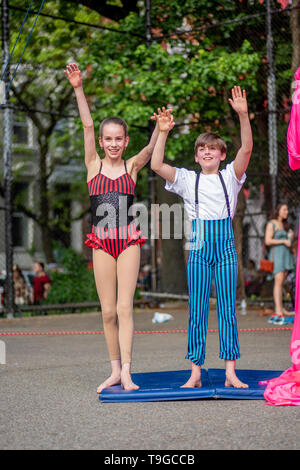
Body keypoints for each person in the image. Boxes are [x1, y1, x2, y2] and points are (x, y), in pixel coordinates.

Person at [64, 63, 170, 394]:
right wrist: (78, 88)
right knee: (108, 311)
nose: (113, 144)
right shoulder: (92, 165)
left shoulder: (131, 166)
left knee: (125, 308)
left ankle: (127, 371)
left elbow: (150, 151)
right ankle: (113, 370)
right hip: (101, 242)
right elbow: (86, 123)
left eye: (118, 139)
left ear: (125, 141)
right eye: (108, 139)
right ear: (101, 141)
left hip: (127, 241)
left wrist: (160, 129)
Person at [151, 86, 252, 389]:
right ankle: (195, 371)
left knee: (227, 308)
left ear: (222, 155)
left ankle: (230, 370)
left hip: (224, 247)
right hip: (198, 245)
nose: (207, 151)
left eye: (213, 148)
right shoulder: (186, 179)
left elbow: (246, 149)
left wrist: (244, 115)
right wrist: (163, 132)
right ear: (196, 156)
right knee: (196, 309)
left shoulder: (231, 176)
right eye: (201, 149)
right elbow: (156, 165)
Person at [264, 203, 294, 325]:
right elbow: (267, 240)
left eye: (287, 209)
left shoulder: (285, 225)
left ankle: (281, 309)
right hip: (277, 256)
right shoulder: (271, 223)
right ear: (278, 210)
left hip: (286, 256)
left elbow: (289, 243)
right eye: (284, 209)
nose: (286, 211)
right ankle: (278, 312)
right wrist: (283, 240)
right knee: (278, 282)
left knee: (281, 283)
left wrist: (290, 238)